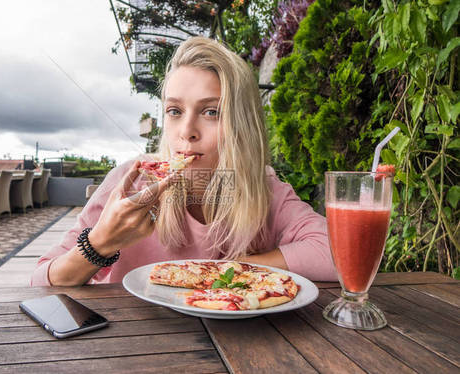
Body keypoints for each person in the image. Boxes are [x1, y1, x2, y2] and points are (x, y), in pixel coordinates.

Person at [31, 37, 337, 287]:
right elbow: (41, 281)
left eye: (211, 112)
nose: (187, 132)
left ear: (242, 125)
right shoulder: (132, 180)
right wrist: (99, 244)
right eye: (175, 111)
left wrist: (221, 270)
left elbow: (338, 253)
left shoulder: (265, 190)